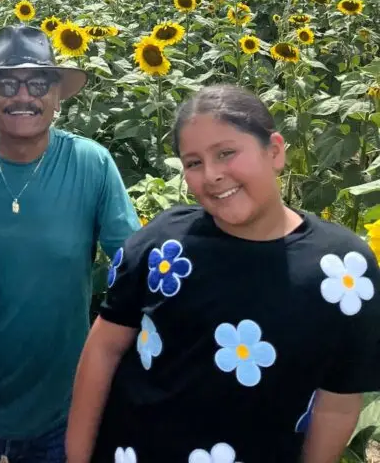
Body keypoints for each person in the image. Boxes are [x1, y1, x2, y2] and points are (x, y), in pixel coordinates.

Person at [66, 84, 380, 463]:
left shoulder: (343, 270)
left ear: (275, 151)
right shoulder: (161, 247)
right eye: (193, 162)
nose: (212, 174)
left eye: (226, 153)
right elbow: (104, 348)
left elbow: (338, 402)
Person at [0, 25, 140, 463]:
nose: (22, 96)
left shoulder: (91, 164)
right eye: (6, 84)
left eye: (38, 84)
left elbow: (132, 263)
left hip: (61, 407)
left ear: (57, 98)